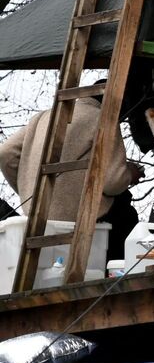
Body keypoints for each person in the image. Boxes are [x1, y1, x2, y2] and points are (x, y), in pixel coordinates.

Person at [0, 93, 139, 254]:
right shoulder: (103, 118)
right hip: (81, 220)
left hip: (37, 218)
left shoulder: (43, 117)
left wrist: (32, 191)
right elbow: (113, 182)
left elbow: (5, 154)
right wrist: (129, 173)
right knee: (128, 216)